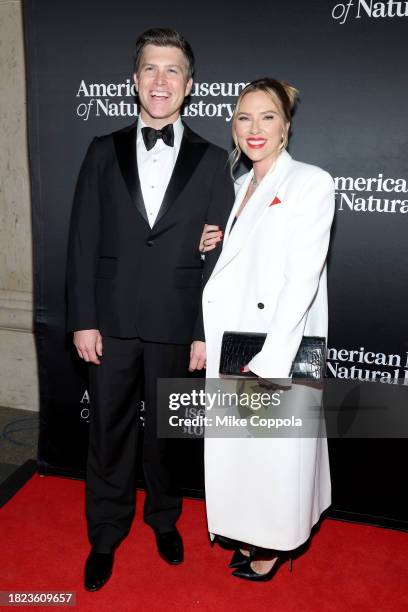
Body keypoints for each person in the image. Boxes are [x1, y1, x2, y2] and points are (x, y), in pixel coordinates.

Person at [66, 28, 234, 591]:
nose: (160, 81)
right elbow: (82, 239)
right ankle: (106, 533)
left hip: (175, 325)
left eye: (172, 71)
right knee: (108, 435)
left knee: (167, 434)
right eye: (150, 69)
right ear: (134, 80)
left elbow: (219, 259)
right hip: (108, 324)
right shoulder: (101, 150)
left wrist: (202, 331)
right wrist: (83, 319)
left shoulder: (214, 161)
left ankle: (164, 519)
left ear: (189, 86)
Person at [200, 78, 335, 581]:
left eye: (267, 117)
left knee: (275, 452)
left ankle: (276, 543)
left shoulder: (310, 182)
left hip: (276, 341)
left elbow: (303, 278)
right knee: (244, 449)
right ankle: (251, 528)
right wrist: (209, 244)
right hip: (235, 338)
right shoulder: (236, 188)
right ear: (233, 128)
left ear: (286, 127)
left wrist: (276, 357)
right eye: (244, 118)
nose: (255, 129)